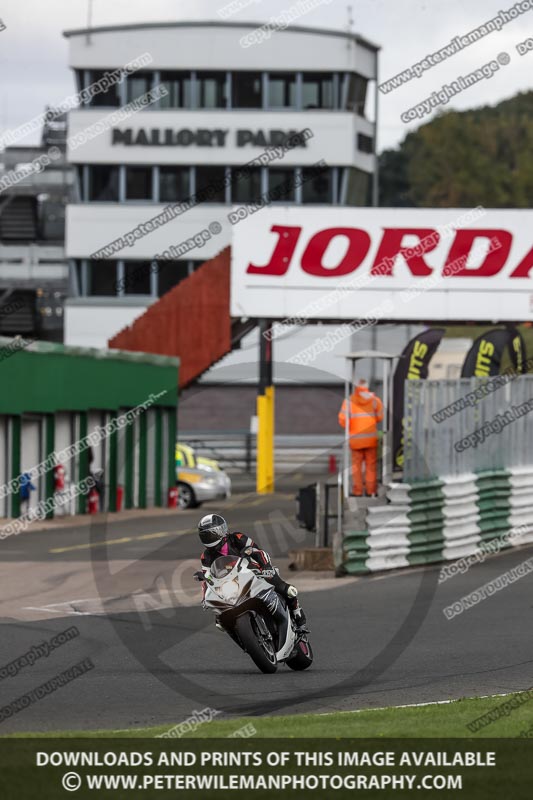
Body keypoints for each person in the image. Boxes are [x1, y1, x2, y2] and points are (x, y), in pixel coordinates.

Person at [194, 513, 308, 633]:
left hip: (255, 571)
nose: (208, 538)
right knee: (220, 619)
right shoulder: (206, 556)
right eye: (205, 535)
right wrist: (205, 597)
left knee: (284, 588)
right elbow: (207, 578)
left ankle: (297, 613)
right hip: (231, 583)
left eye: (211, 534)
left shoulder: (237, 538)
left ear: (220, 531)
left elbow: (258, 551)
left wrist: (266, 567)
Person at [338, 379, 383, 497]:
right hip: (371, 439)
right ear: (367, 387)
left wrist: (352, 427)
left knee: (356, 467)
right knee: (371, 467)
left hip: (356, 440)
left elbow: (343, 420)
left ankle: (357, 491)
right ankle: (371, 491)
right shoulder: (375, 400)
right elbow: (380, 417)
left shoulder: (349, 401)